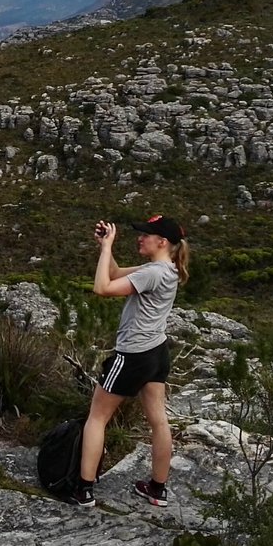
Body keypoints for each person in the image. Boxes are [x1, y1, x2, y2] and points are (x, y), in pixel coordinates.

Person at [68, 214, 190, 508]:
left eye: (146, 234)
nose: (140, 238)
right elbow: (115, 272)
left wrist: (108, 246)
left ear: (162, 242)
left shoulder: (153, 273)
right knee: (159, 421)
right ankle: (157, 489)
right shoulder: (166, 269)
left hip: (133, 354)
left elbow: (102, 288)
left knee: (98, 417)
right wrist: (104, 247)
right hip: (157, 352)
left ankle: (84, 490)